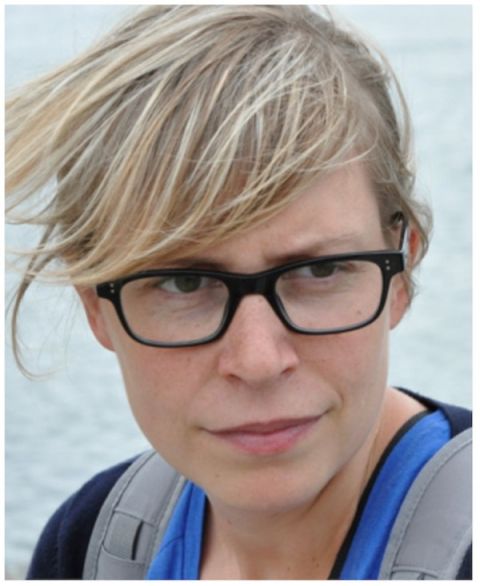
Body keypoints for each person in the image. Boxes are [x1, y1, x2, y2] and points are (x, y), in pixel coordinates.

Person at [6, 5, 471, 580]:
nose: (257, 361)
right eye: (184, 282)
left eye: (319, 272)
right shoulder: (85, 546)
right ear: (96, 307)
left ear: (401, 271)